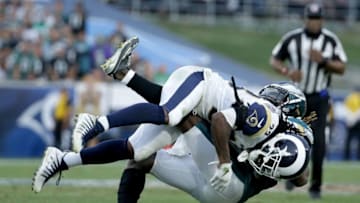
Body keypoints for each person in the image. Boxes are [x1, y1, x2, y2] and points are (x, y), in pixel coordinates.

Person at [32, 37, 312, 201]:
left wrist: (294, 150)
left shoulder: (266, 119)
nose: (270, 95)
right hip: (219, 189)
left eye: (278, 96)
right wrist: (300, 146)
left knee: (182, 116)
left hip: (229, 178)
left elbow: (218, 123)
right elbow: (301, 179)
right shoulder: (287, 134)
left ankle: (100, 121)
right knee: (140, 157)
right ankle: (63, 161)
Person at [269, 2, 347, 199]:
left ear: (321, 20)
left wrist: (323, 62)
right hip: (296, 97)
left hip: (319, 97)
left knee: (319, 141)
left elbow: (341, 67)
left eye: (316, 19)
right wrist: (287, 71)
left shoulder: (330, 40)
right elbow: (275, 59)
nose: (313, 23)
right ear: (306, 19)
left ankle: (316, 186)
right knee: (290, 136)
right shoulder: (293, 38)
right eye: (310, 19)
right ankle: (289, 176)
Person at [343, 86, 360, 160]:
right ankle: (355, 157)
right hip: (357, 121)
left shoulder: (349, 97)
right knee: (352, 140)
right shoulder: (351, 97)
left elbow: (346, 109)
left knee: (349, 140)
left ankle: (347, 157)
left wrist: (351, 119)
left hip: (351, 121)